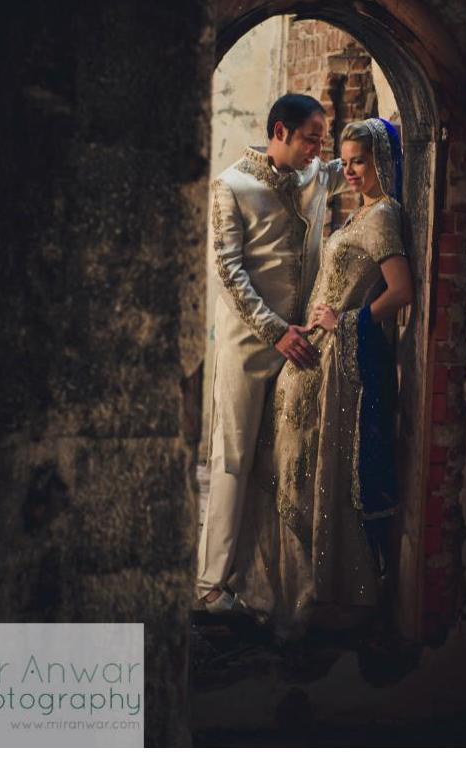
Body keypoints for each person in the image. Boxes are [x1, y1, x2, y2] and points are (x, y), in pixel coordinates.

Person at [227, 117, 414, 638]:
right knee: (288, 472)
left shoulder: (384, 215)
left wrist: (345, 321)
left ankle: (320, 598)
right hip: (312, 359)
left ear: (382, 162)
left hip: (334, 364)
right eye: (346, 161)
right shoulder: (359, 214)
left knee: (307, 475)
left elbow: (401, 292)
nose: (350, 171)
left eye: (361, 161)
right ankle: (288, 592)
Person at [196, 93, 349, 612]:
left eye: (322, 141)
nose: (318, 150)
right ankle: (211, 583)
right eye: (310, 138)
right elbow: (228, 273)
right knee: (234, 457)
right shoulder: (231, 186)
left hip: (302, 347)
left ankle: (261, 580)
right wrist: (276, 331)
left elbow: (362, 159)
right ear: (279, 132)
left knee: (282, 462)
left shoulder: (316, 175)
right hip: (250, 346)